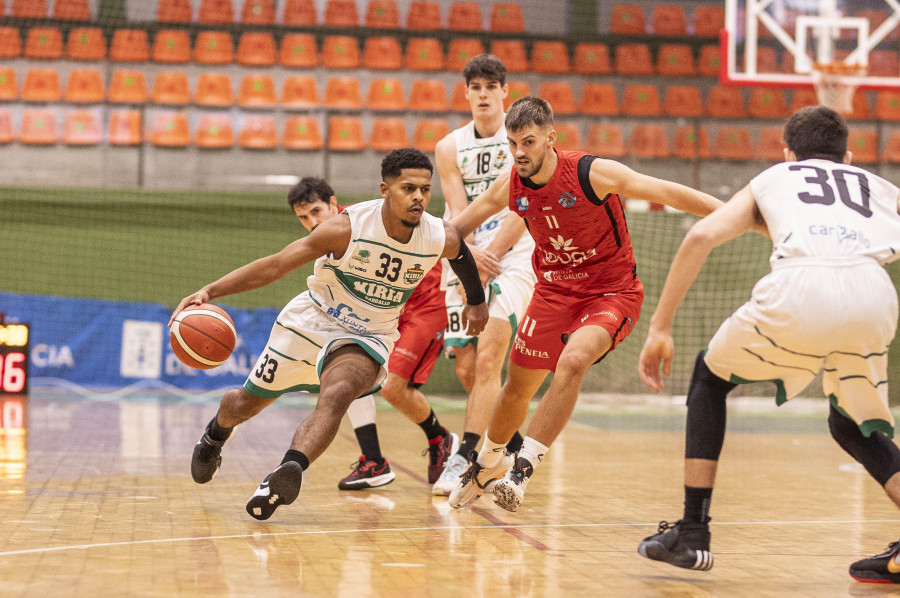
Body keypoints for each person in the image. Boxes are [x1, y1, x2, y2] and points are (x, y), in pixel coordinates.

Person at [636, 105, 900, 582]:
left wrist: (659, 327)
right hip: (874, 291)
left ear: (788, 153)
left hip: (801, 286)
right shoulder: (878, 186)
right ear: (849, 156)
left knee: (710, 378)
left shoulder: (777, 176)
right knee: (851, 423)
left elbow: (701, 235)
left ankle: (693, 532)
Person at [171, 148, 489, 521]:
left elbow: (462, 256)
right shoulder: (346, 228)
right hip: (313, 321)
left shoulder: (437, 234)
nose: (418, 197)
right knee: (244, 403)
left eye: (424, 189)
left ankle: (287, 471)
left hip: (369, 334)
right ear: (385, 189)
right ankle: (214, 435)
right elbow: (275, 265)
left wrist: (477, 301)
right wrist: (210, 290)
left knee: (338, 394)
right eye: (408, 188)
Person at [448, 96, 723, 512]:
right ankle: (487, 464)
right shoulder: (512, 186)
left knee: (573, 361)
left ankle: (520, 473)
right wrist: (470, 290)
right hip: (553, 292)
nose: (520, 153)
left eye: (528, 142)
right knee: (516, 388)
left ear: (550, 139)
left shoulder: (591, 173)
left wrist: (735, 213)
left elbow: (667, 191)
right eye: (512, 144)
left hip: (610, 292)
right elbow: (454, 233)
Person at [288, 177, 458, 491]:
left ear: (333, 203)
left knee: (393, 387)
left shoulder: (360, 223)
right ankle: (375, 460)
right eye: (303, 218)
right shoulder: (326, 242)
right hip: (387, 313)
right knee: (347, 369)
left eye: (316, 211)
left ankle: (443, 439)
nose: (312, 222)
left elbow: (436, 232)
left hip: (424, 302)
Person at [430, 54, 536, 496]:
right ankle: (508, 445)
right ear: (467, 93)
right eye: (475, 86)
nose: (483, 93)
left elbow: (526, 206)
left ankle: (467, 456)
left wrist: (491, 253)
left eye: (491, 86)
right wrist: (469, 253)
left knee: (491, 356)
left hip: (514, 251)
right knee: (467, 367)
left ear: (504, 92)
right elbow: (458, 211)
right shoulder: (449, 147)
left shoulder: (522, 141)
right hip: (467, 246)